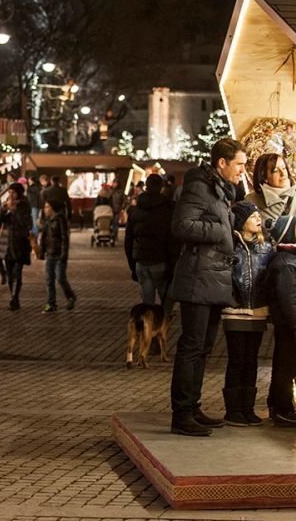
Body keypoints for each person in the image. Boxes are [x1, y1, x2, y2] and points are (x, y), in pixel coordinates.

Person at [169, 137, 247, 437]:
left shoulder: (221, 189)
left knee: (202, 348)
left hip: (212, 277)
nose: (243, 170)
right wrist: (219, 230)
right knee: (191, 347)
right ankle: (182, 413)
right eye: (239, 164)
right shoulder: (199, 186)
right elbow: (182, 225)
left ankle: (193, 407)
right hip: (197, 279)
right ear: (222, 163)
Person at [222, 201, 274, 427]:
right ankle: (233, 410)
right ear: (242, 221)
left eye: (258, 216)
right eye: (253, 217)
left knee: (251, 359)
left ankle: (248, 408)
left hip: (257, 312)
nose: (258, 220)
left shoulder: (267, 247)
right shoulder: (231, 246)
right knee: (236, 359)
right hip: (234, 311)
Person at [264, 214, 296, 428]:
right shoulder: (287, 263)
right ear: (290, 233)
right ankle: (283, 409)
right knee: (286, 366)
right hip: (288, 324)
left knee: (285, 365)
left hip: (288, 323)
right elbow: (289, 298)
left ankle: (279, 406)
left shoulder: (291, 259)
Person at [124, 174, 176, 317]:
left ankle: (149, 329)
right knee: (167, 299)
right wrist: (173, 263)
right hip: (161, 260)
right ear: (161, 187)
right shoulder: (167, 210)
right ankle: (160, 329)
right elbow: (172, 240)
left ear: (146, 186)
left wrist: (132, 265)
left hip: (141, 261)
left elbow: (128, 240)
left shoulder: (135, 211)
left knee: (147, 302)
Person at [0, 182, 33, 311]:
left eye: (13, 192)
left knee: (17, 272)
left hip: (19, 242)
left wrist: (14, 211)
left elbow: (27, 223)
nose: (11, 194)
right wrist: (2, 209)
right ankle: (13, 295)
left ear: (19, 193)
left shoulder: (24, 204)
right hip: (7, 242)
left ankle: (14, 297)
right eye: (9, 192)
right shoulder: (6, 203)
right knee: (10, 274)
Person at [38, 197, 77, 312]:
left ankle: (70, 296)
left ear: (53, 208)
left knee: (60, 278)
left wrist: (64, 254)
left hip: (59, 254)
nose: (45, 209)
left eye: (47, 207)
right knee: (49, 280)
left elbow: (65, 238)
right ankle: (51, 303)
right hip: (50, 254)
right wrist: (41, 252)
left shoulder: (60, 220)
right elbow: (44, 237)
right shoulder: (47, 220)